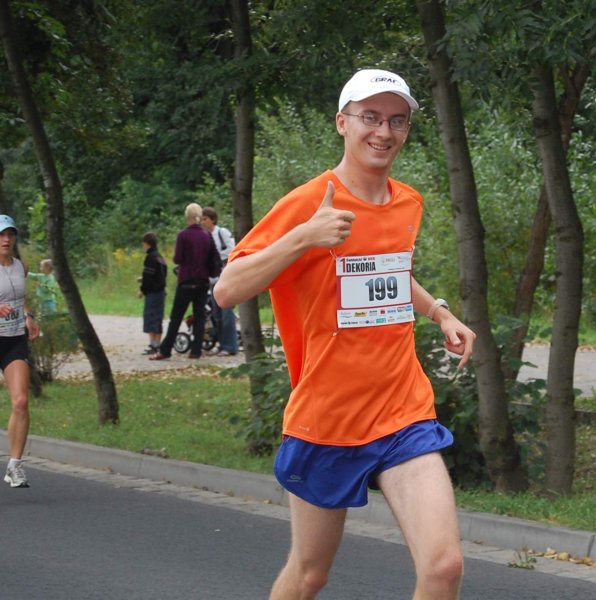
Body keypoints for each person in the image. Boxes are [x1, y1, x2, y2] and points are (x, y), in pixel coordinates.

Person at [214, 69, 476, 599]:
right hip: (328, 418)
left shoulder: (407, 202)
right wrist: (304, 237)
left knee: (444, 567)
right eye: (370, 117)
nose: (383, 131)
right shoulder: (308, 203)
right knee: (310, 574)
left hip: (402, 410)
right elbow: (227, 290)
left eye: (396, 120)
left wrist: (439, 312)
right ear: (342, 123)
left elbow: (388, 269)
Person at [0, 214, 41, 487]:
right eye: (1, 235)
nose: (6, 240)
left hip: (13, 340)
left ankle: (14, 465)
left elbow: (19, 298)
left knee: (21, 402)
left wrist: (28, 317)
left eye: (10, 235)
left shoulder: (20, 267)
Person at [150, 203, 220, 361]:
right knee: (199, 316)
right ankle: (196, 351)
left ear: (187, 216)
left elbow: (178, 258)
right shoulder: (206, 235)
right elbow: (212, 257)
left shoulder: (183, 235)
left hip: (186, 279)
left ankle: (165, 350)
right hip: (202, 280)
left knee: (176, 316)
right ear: (200, 216)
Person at [201, 207, 238, 356]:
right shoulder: (204, 236)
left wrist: (215, 258)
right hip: (213, 280)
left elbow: (232, 249)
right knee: (216, 315)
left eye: (205, 219)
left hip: (225, 277)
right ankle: (222, 344)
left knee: (226, 314)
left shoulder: (222, 233)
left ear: (212, 219)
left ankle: (230, 346)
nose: (203, 222)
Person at [138, 232, 167, 355]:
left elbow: (148, 276)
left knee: (150, 317)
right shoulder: (160, 257)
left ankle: (152, 345)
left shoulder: (150, 257)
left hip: (153, 292)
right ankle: (157, 344)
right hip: (161, 291)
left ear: (146, 243)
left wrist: (142, 290)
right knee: (158, 317)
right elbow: (162, 274)